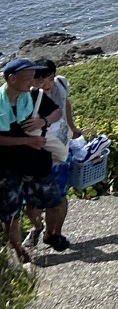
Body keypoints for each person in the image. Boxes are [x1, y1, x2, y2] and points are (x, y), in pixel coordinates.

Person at [1, 58, 51, 265]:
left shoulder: (25, 98)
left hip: (25, 160)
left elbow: (57, 109)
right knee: (9, 212)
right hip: (4, 165)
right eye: (28, 77)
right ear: (12, 78)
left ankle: (30, 236)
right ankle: (18, 249)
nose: (33, 81)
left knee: (33, 202)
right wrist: (27, 140)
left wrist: (43, 123)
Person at [24, 61, 74, 253]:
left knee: (60, 195)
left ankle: (55, 234)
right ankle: (37, 227)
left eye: (50, 78)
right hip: (35, 152)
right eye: (41, 79)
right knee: (32, 200)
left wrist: (72, 127)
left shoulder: (61, 84)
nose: (47, 83)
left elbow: (65, 104)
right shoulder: (26, 98)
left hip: (60, 148)